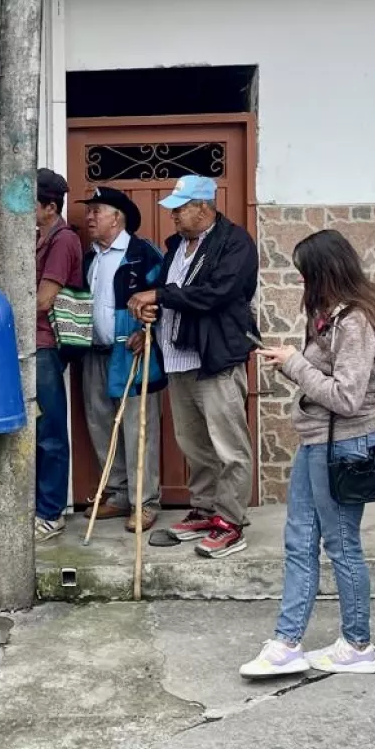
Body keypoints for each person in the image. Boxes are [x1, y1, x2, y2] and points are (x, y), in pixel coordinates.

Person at [240, 229, 375, 678]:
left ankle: (357, 644)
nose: (301, 283)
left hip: (344, 446)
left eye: (304, 274)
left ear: (324, 272)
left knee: (342, 546)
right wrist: (291, 361)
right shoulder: (332, 315)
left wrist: (294, 362)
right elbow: (324, 380)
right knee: (299, 543)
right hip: (317, 443)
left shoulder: (356, 321)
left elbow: (347, 397)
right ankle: (286, 642)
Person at [128, 176, 259, 558]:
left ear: (203, 207)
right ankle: (205, 509)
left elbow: (216, 293)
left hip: (214, 357)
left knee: (229, 445)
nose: (173, 215)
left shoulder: (234, 243)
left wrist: (160, 294)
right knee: (194, 443)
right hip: (179, 358)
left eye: (180, 208)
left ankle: (231, 522)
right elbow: (174, 300)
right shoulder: (177, 248)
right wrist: (148, 321)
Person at [78, 187, 166, 540]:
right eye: (89, 211)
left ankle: (145, 501)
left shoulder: (143, 254)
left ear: (118, 217)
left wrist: (150, 334)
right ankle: (115, 492)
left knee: (137, 426)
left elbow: (167, 300)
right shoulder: (89, 258)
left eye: (96, 210)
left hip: (132, 352)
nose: (89, 217)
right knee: (101, 423)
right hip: (94, 352)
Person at [33, 170, 85, 537]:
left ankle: (51, 513)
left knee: (50, 432)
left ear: (50, 207)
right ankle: (41, 507)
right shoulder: (40, 239)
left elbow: (44, 299)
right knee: (35, 431)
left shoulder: (63, 241)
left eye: (30, 204)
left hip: (46, 346)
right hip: (32, 346)